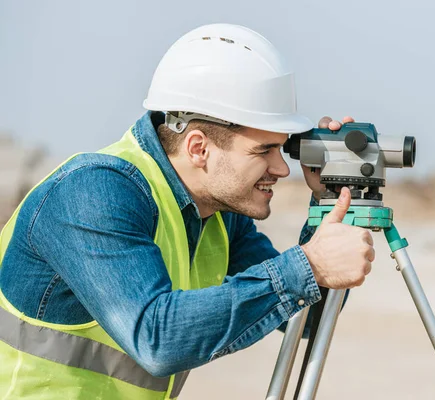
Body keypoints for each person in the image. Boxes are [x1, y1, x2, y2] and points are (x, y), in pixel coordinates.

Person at [0, 24, 374, 399]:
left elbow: (302, 315)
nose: (282, 169)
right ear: (198, 148)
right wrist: (306, 266)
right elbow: (157, 339)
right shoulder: (92, 192)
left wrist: (328, 202)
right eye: (264, 150)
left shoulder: (220, 215)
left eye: (282, 148)